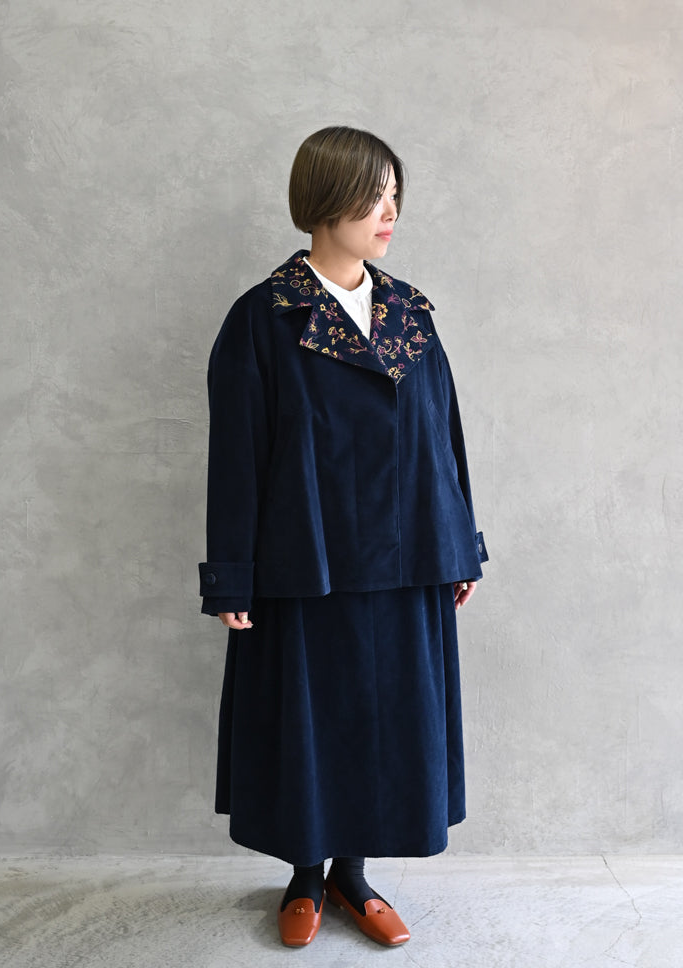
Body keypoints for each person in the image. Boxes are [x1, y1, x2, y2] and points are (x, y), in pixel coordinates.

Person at [198, 126, 488, 948]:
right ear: (325, 201)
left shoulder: (409, 313)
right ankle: (303, 876)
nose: (389, 212)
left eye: (395, 195)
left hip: (408, 557)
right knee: (310, 720)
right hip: (307, 560)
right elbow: (237, 456)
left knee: (385, 721)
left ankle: (352, 877)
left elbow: (442, 435)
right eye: (372, 196)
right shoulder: (264, 317)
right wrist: (232, 575)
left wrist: (458, 544)